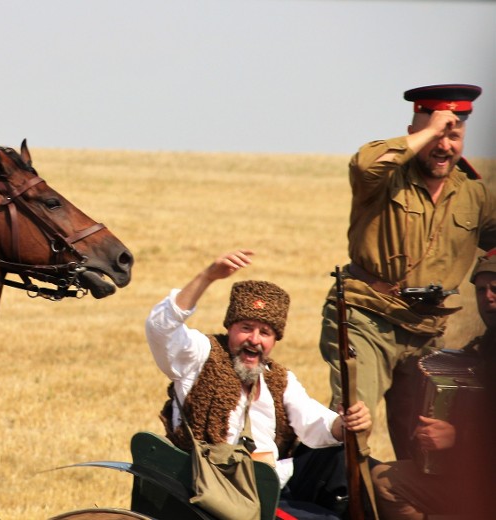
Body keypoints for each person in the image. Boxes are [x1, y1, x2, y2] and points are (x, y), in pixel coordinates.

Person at [318, 84, 496, 460]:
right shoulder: (385, 179)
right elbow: (365, 163)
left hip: (426, 332)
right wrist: (431, 130)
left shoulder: (475, 196)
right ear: (415, 131)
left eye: (455, 136)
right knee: (354, 426)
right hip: (367, 317)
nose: (445, 146)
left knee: (428, 445)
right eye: (436, 134)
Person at [147, 249, 373, 518]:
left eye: (265, 332)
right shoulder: (199, 357)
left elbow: (315, 423)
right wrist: (207, 277)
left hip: (274, 485)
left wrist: (346, 423)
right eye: (246, 327)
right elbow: (162, 328)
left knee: (344, 460)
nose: (254, 339)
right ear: (230, 327)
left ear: (274, 340)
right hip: (225, 491)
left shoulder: (278, 379)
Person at [370, 250, 496, 519]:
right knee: (385, 480)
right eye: (481, 289)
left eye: (495, 288)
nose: (488, 297)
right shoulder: (485, 346)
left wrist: (458, 437)